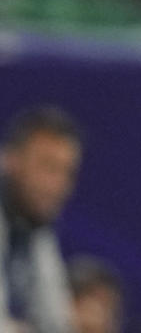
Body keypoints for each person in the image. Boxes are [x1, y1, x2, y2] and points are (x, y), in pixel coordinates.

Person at [0, 105, 82, 333]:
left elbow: (56, 323)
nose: (57, 185)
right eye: (47, 167)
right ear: (10, 160)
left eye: (67, 172)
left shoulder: (35, 227)